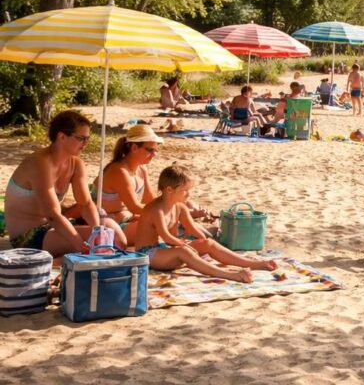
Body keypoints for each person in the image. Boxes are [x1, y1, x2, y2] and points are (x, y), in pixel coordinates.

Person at [4, 111, 126, 254]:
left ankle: (64, 260)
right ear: (61, 136)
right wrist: (82, 246)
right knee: (105, 244)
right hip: (28, 236)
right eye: (81, 138)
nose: (85, 143)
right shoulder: (39, 163)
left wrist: (97, 229)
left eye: (88, 138)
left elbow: (86, 203)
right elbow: (52, 215)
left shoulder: (75, 163)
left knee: (111, 231)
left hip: (55, 226)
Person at [135, 165, 275, 283]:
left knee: (208, 243)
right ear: (169, 190)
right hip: (147, 254)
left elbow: (195, 230)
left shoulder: (179, 207)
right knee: (184, 250)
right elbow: (166, 237)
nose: (188, 195)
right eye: (185, 190)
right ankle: (230, 275)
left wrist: (204, 243)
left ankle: (255, 264)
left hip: (163, 249)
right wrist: (185, 245)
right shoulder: (155, 209)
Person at [88, 124, 162, 244]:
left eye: (156, 150)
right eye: (150, 150)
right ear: (134, 147)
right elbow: (135, 207)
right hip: (109, 226)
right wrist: (166, 211)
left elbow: (150, 200)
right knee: (157, 228)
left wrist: (174, 206)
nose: (154, 154)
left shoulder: (141, 169)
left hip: (125, 219)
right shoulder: (119, 171)